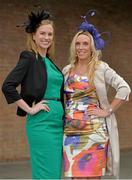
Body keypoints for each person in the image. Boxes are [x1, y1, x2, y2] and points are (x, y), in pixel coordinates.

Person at [62, 11, 131, 180]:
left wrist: (108, 110)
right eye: (78, 44)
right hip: (71, 134)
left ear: (92, 46)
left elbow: (124, 88)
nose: (81, 47)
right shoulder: (66, 70)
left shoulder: (101, 68)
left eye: (85, 43)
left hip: (95, 132)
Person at [2, 10, 64, 179]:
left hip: (58, 124)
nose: (46, 37)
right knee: (46, 174)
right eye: (42, 33)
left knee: (54, 174)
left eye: (50, 34)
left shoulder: (50, 62)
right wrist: (30, 109)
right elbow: (8, 86)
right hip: (42, 124)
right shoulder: (29, 57)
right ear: (34, 36)